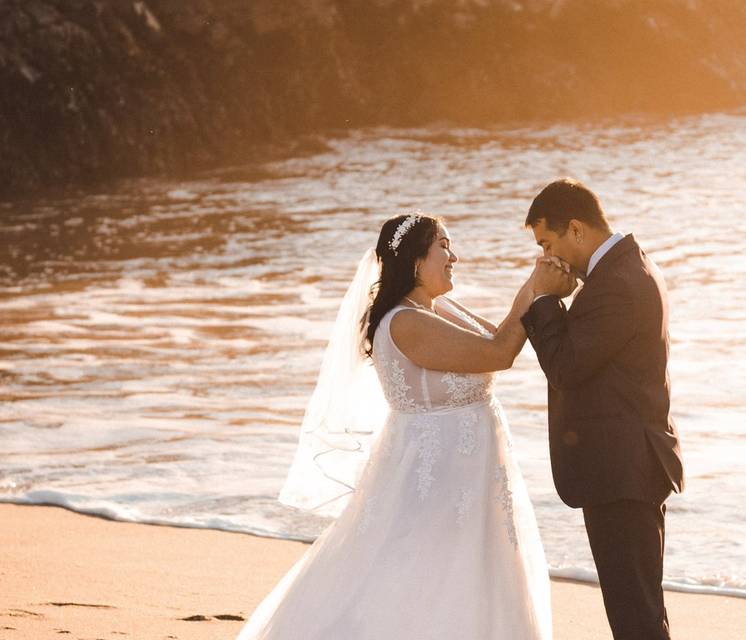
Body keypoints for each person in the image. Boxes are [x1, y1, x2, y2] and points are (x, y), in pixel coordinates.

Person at [237, 212, 552, 639]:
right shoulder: (406, 322)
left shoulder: (437, 308)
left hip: (473, 475)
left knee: (475, 575)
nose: (454, 256)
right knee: (425, 581)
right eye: (443, 245)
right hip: (437, 476)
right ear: (416, 262)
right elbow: (498, 353)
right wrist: (535, 286)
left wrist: (536, 292)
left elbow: (497, 338)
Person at [521, 178, 686, 640]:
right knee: (640, 609)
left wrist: (547, 298)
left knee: (635, 615)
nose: (546, 257)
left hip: (623, 470)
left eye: (547, 242)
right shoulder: (627, 268)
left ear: (575, 229)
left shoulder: (616, 284)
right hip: (628, 465)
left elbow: (566, 368)